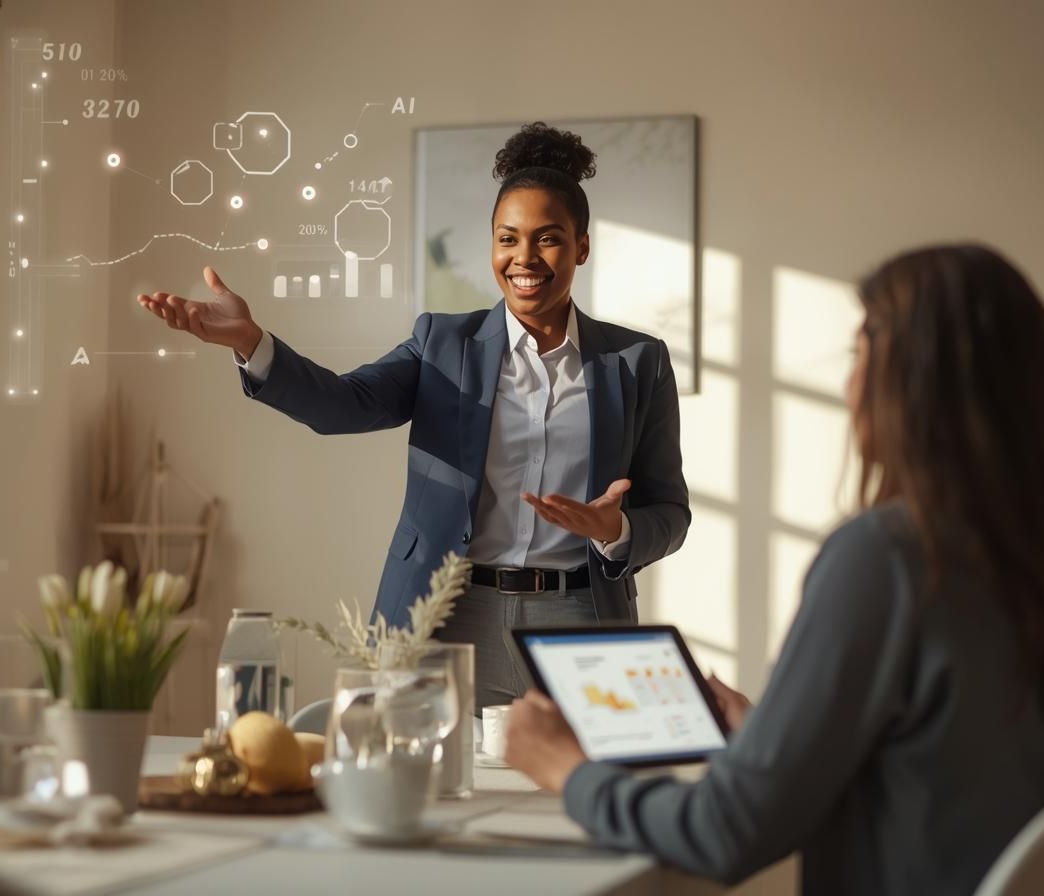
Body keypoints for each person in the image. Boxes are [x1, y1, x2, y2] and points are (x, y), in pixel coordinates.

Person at [502, 244, 1044, 894]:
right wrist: (776, 736)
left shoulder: (888, 556)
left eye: (861, 349)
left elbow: (725, 833)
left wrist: (570, 770)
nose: (849, 382)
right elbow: (955, 767)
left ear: (910, 382)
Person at [138, 123, 690, 706]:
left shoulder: (636, 362)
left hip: (580, 617)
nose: (524, 257)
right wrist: (251, 342)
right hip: (444, 614)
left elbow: (670, 510)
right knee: (420, 785)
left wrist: (618, 531)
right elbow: (340, 405)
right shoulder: (444, 343)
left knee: (579, 788)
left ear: (582, 245)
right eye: (507, 238)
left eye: (548, 239)